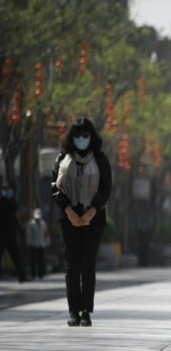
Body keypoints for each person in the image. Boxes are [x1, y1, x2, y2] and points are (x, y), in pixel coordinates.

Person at [52, 118, 112, 326]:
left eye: (85, 135)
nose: (81, 139)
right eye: (77, 135)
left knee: (87, 265)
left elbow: (106, 188)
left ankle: (86, 311)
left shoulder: (100, 159)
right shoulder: (63, 158)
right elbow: (55, 187)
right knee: (72, 266)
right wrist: (69, 211)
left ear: (92, 137)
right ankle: (73, 312)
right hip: (68, 217)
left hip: (93, 218)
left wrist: (91, 211)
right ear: (71, 137)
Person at [0, 183, 27, 283]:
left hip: (11, 234)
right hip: (2, 234)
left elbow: (17, 217)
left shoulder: (13, 202)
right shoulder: (1, 202)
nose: (7, 191)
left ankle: (22, 276)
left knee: (16, 256)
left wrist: (18, 228)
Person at [25, 208, 50, 279]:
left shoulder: (44, 223)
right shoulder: (31, 224)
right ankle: (33, 274)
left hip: (41, 244)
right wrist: (29, 242)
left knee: (41, 260)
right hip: (33, 245)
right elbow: (28, 234)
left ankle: (40, 274)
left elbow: (47, 234)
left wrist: (47, 242)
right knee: (32, 260)